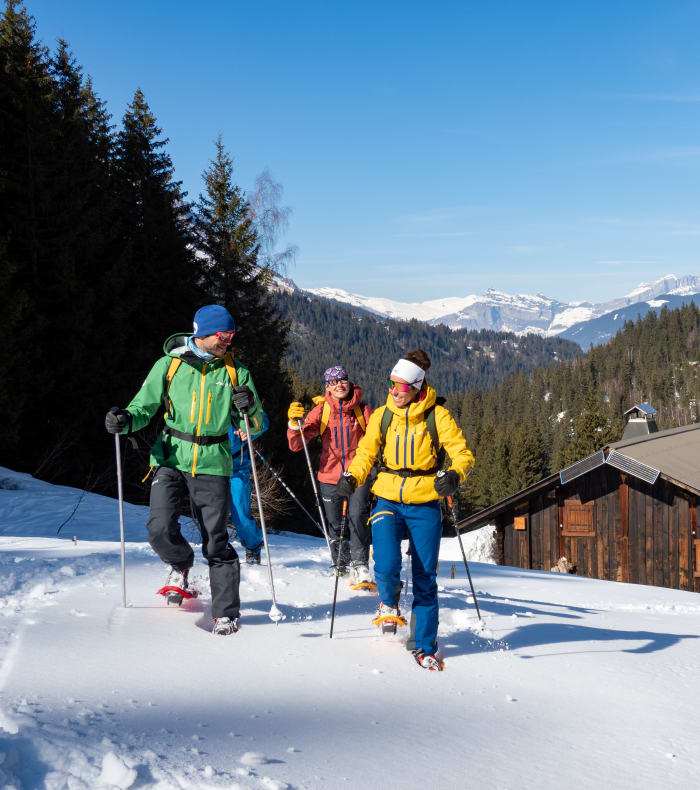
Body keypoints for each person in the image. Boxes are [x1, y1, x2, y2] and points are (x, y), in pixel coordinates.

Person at [104, 304, 264, 636]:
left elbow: (257, 424)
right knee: (158, 528)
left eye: (232, 335)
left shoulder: (236, 372)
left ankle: (225, 613)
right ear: (203, 333)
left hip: (213, 462)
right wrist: (124, 420)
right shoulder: (169, 365)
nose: (228, 341)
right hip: (170, 457)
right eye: (224, 335)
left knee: (216, 540)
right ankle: (180, 565)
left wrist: (249, 409)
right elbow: (143, 407)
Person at [336, 349, 474, 670]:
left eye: (399, 386)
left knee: (425, 577)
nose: (393, 391)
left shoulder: (437, 417)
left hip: (425, 502)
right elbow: (366, 453)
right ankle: (388, 602)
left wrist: (455, 475)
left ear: (416, 387)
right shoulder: (383, 415)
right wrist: (352, 476)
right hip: (386, 496)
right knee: (385, 562)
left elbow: (462, 453)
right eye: (390, 384)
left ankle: (423, 646)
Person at [287, 365, 373, 584]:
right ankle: (341, 564)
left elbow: (376, 439)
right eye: (333, 383)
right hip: (329, 476)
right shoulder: (322, 410)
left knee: (357, 518)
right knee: (335, 525)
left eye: (342, 380)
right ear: (328, 387)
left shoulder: (362, 410)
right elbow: (298, 445)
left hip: (358, 475)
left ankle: (360, 565)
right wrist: (293, 425)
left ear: (349, 382)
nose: (339, 385)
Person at [228, 410, 269, 564]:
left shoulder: (237, 393)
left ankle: (253, 546)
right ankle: (216, 554)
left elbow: (263, 422)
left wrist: (248, 430)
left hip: (236, 467)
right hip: (208, 465)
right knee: (209, 515)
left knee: (240, 515)